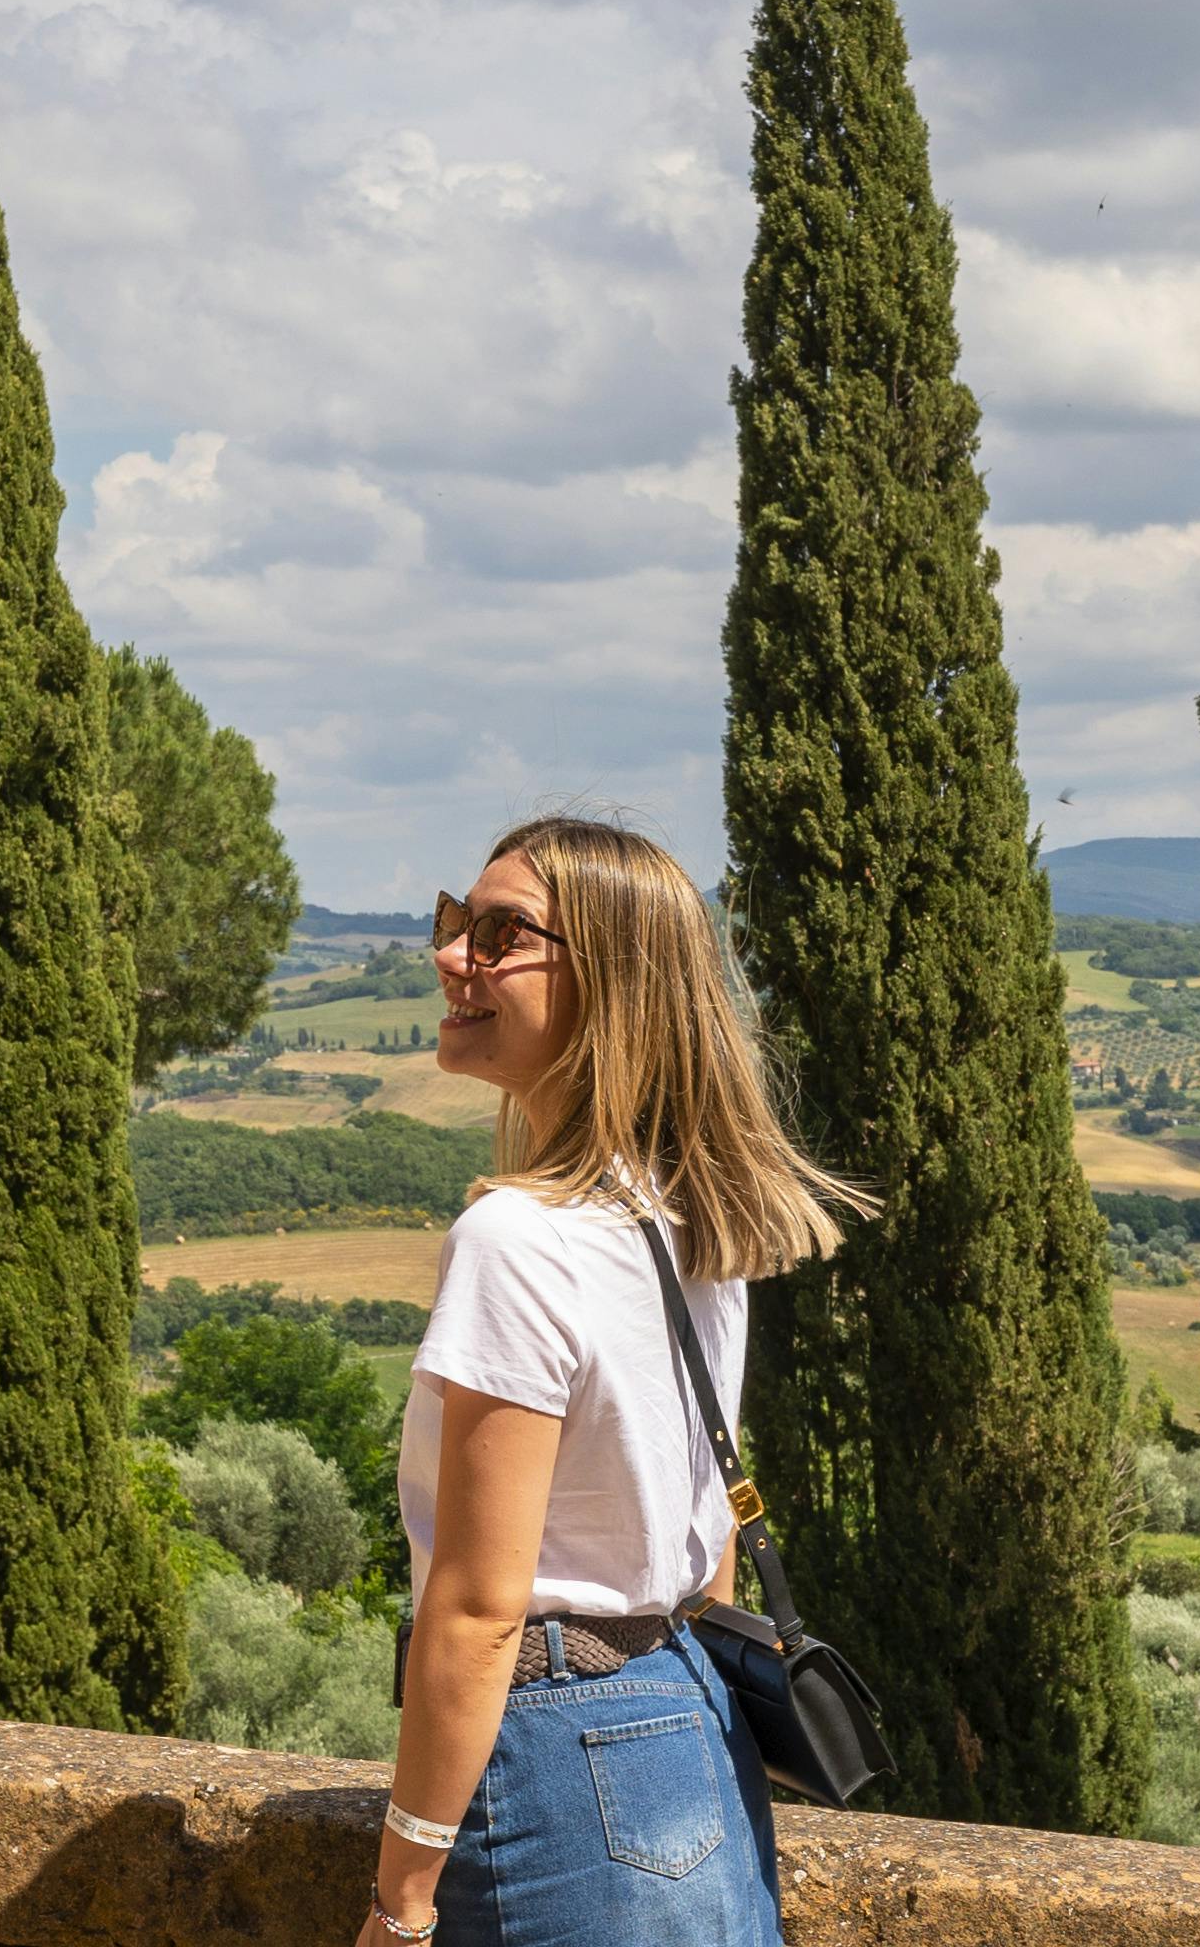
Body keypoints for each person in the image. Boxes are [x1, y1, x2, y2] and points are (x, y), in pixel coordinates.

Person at [360, 815, 858, 1947]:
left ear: (613, 986)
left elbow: (481, 1610)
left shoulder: (519, 1239)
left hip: (556, 1753)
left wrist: (400, 1901)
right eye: (457, 922)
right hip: (693, 1717)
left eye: (502, 933)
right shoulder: (690, 1219)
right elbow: (708, 1538)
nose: (452, 955)